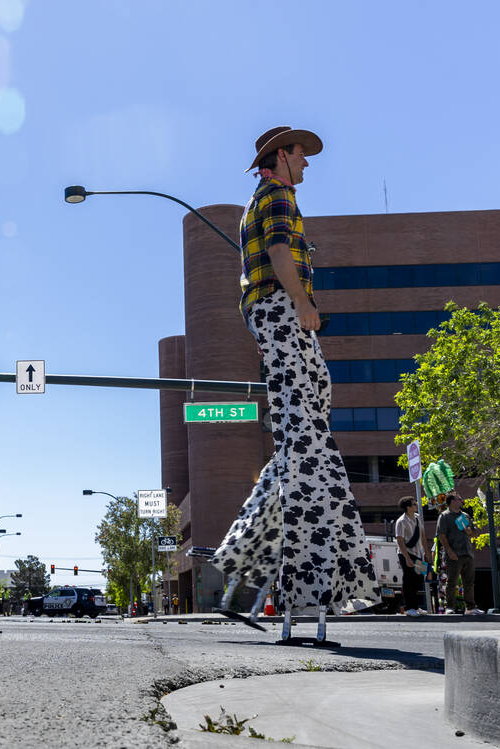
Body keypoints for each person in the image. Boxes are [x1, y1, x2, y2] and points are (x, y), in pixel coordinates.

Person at [210, 126, 378, 642]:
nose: (306, 165)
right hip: (282, 311)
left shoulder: (259, 199)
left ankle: (242, 557)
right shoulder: (278, 196)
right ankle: (300, 579)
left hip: (271, 316)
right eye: (301, 155)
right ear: (280, 157)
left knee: (299, 439)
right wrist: (303, 302)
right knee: (306, 444)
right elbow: (281, 253)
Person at [436, 493, 483, 615]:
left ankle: (470, 608)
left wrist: (468, 530)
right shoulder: (444, 516)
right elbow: (442, 536)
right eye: (459, 499)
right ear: (452, 502)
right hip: (454, 554)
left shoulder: (465, 516)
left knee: (469, 583)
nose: (462, 501)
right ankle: (449, 607)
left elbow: (473, 534)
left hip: (467, 553)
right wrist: (450, 552)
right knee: (452, 582)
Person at [394, 496, 428, 616]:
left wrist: (426, 553)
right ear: (408, 507)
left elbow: (422, 536)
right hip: (406, 554)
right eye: (414, 504)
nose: (416, 505)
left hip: (418, 554)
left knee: (418, 580)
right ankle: (409, 608)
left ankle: (416, 607)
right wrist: (407, 558)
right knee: (409, 580)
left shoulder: (418, 518)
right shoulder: (401, 521)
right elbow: (400, 540)